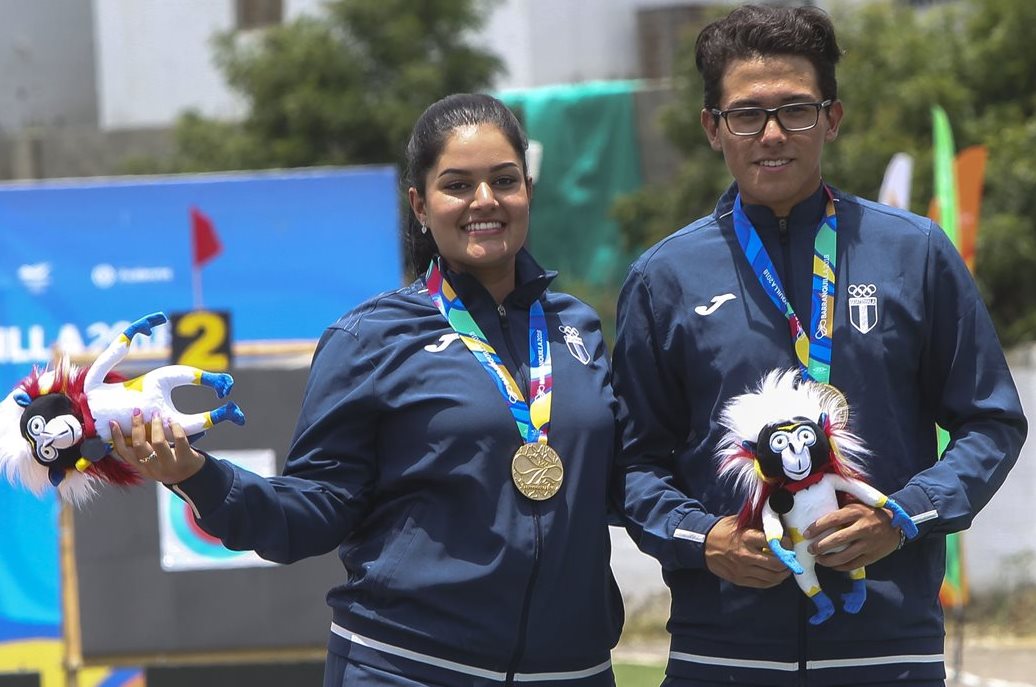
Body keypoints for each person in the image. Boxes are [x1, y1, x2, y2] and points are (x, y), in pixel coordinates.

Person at [112, 93, 623, 686]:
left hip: (574, 671)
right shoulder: (370, 337)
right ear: (420, 206)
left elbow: (620, 481)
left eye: (504, 180)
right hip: (410, 668)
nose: (485, 201)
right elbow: (313, 509)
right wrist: (198, 474)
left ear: (528, 191)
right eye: (457, 185)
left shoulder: (577, 328)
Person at [611, 5, 1027, 686]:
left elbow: (992, 420)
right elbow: (631, 462)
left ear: (832, 118)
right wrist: (705, 539)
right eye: (747, 114)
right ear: (712, 128)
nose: (772, 134)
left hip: (889, 648)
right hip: (723, 652)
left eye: (796, 110)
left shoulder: (914, 253)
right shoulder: (665, 278)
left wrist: (904, 514)